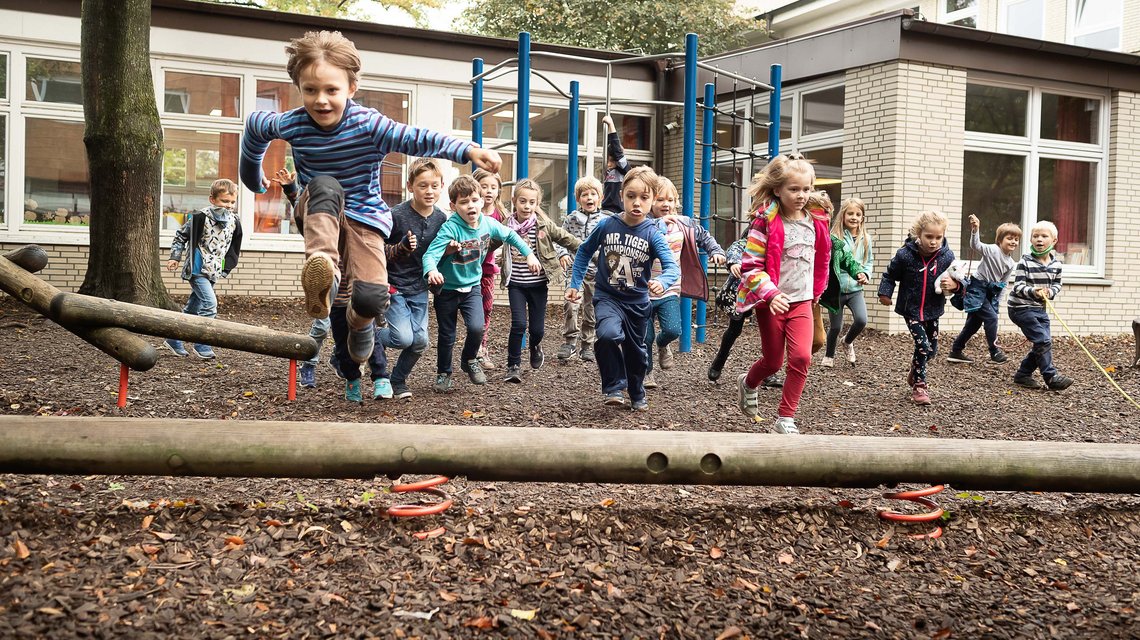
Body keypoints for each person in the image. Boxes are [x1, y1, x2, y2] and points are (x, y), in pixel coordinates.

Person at [239, 30, 501, 367]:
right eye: (310, 90)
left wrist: (465, 149)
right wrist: (252, 178)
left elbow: (415, 138)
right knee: (325, 185)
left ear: (351, 88)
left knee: (371, 297)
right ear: (299, 88)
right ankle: (326, 274)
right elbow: (255, 128)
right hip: (320, 212)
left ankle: (360, 326)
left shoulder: (368, 124)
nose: (321, 100)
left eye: (332, 90)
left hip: (365, 217)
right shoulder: (292, 123)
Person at [566, 167, 679, 412]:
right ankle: (614, 386)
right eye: (631, 196)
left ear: (652, 199)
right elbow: (584, 251)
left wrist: (664, 281)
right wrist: (574, 283)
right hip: (608, 297)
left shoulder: (653, 234)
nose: (637, 203)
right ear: (621, 196)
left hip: (637, 304)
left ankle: (637, 390)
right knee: (607, 336)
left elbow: (672, 267)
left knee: (636, 353)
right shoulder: (608, 225)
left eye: (644, 197)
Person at [734, 155, 831, 435]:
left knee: (801, 357)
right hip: (772, 303)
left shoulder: (817, 221)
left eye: (807, 189)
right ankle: (749, 383)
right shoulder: (765, 222)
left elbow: (823, 257)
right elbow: (750, 266)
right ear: (778, 189)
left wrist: (817, 291)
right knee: (773, 361)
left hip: (802, 301)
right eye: (794, 189)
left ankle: (785, 418)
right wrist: (771, 293)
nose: (802, 195)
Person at [422, 175, 538, 393]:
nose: (471, 206)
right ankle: (443, 373)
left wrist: (529, 254)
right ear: (453, 206)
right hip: (447, 290)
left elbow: (511, 236)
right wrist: (432, 270)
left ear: (482, 200)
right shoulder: (450, 229)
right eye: (464, 202)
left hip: (472, 288)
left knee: (477, 328)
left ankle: (469, 359)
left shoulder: (488, 224)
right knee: (447, 335)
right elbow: (430, 255)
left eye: (474, 200)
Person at [377, 158, 449, 400]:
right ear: (410, 186)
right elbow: (378, 250)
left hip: (419, 288)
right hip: (394, 285)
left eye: (434, 186)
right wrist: (401, 246)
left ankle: (397, 380)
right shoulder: (395, 215)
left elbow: (439, 254)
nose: (429, 191)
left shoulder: (442, 219)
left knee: (419, 342)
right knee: (402, 338)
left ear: (441, 187)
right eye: (422, 185)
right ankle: (369, 337)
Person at [643, 177, 725, 389]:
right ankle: (646, 373)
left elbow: (703, 236)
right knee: (645, 335)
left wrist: (715, 250)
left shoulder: (684, 224)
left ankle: (663, 345)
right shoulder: (644, 224)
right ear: (650, 201)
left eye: (671, 199)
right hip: (644, 289)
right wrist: (659, 224)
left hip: (670, 288)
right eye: (660, 199)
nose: (666, 204)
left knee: (672, 330)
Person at [498, 179, 581, 383]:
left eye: (532, 202)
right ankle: (513, 366)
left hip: (538, 285)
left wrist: (591, 252)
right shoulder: (506, 226)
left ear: (537, 204)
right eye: (523, 201)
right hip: (516, 283)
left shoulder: (542, 225)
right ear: (514, 201)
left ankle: (535, 346)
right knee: (518, 324)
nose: (527, 206)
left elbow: (566, 239)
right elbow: (489, 242)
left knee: (537, 330)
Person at [877, 211, 960, 406]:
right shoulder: (905, 255)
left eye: (938, 237)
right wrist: (885, 293)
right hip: (911, 309)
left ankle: (915, 370)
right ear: (918, 234)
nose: (933, 242)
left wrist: (956, 287)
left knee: (931, 351)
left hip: (933, 308)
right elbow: (890, 275)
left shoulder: (947, 256)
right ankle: (920, 386)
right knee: (922, 345)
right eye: (929, 237)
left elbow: (960, 280)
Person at [272, 169, 341, 389]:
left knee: (348, 323)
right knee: (322, 324)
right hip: (328, 268)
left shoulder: (354, 204)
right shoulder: (321, 208)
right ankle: (309, 364)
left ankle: (339, 358)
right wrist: (293, 191)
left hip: (351, 271)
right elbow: (305, 218)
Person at [164, 178, 243, 360]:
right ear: (212, 199)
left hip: (214, 270)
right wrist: (174, 257)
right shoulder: (200, 217)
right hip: (198, 269)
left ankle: (173, 339)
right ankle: (202, 344)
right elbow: (180, 236)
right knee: (210, 304)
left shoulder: (234, 221)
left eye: (232, 202)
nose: (229, 206)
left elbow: (233, 246)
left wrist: (227, 267)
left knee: (192, 309)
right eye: (224, 201)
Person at [947, 214, 1021, 365]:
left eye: (1016, 239)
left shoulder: (1011, 263)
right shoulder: (992, 250)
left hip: (989, 292)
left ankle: (956, 351)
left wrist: (997, 302)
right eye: (1009, 238)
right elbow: (976, 245)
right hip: (976, 287)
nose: (1013, 241)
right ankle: (994, 352)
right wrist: (976, 229)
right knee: (991, 318)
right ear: (1000, 240)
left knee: (973, 324)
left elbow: (1003, 283)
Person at [1007, 220, 1073, 391]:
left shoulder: (1057, 264)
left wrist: (1051, 292)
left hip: (1039, 309)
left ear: (1054, 241)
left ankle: (1023, 375)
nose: (1039, 239)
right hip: (1020, 308)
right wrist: (1034, 291)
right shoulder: (1025, 262)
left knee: (1043, 342)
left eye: (1044, 236)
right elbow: (1018, 286)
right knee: (1042, 340)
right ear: (1031, 240)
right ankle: (1051, 377)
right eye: (1035, 236)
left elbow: (1057, 285)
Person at [557, 176, 609, 363]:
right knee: (571, 305)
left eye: (593, 194)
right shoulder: (571, 219)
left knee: (591, 309)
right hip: (575, 272)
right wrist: (562, 253)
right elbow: (561, 238)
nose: (589, 198)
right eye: (584, 195)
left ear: (600, 198)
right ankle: (570, 341)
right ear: (578, 199)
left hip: (597, 273)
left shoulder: (605, 221)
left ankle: (587, 344)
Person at [821, 197, 873, 367]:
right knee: (835, 326)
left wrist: (865, 274)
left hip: (855, 290)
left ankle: (847, 341)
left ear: (862, 217)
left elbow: (868, 261)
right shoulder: (835, 237)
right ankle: (829, 356)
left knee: (861, 320)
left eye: (858, 214)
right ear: (843, 215)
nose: (854, 217)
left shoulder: (865, 239)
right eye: (850, 213)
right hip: (836, 289)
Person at [474, 168, 507, 370]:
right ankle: (472, 347)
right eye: (484, 187)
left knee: (486, 309)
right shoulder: (470, 212)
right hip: (466, 269)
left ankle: (481, 349)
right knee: (471, 313)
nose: (488, 191)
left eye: (493, 187)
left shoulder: (500, 214)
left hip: (487, 269)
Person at [599, 115, 630, 214]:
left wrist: (611, 125)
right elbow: (610, 146)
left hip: (617, 212)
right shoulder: (609, 171)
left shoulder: (624, 170)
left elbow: (616, 150)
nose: (608, 164)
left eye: (611, 161)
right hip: (605, 211)